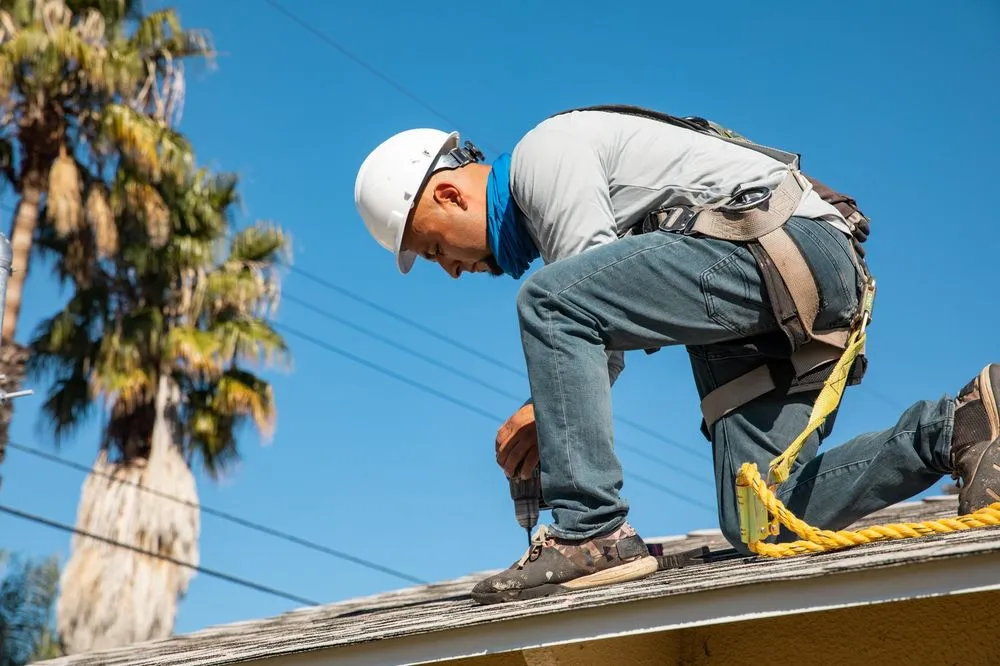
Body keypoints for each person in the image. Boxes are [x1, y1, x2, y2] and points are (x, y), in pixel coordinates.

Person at [353, 107, 1000, 605]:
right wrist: (545, 409)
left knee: (546, 301)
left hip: (785, 248)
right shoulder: (545, 211)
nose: (452, 271)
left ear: (447, 196)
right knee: (764, 520)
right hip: (769, 293)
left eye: (435, 250)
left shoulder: (543, 154)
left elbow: (576, 307)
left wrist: (541, 413)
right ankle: (960, 426)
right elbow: (594, 309)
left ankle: (589, 534)